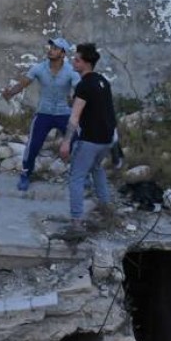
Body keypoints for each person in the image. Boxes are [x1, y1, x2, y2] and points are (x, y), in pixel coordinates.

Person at [0, 37, 80, 191]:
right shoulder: (39, 68)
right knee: (33, 145)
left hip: (64, 113)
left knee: (76, 142)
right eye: (51, 47)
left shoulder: (71, 71)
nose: (51, 50)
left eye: (55, 48)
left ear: (63, 54)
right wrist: (10, 93)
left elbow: (80, 91)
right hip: (44, 113)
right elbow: (23, 84)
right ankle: (26, 174)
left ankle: (80, 174)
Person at [59, 42, 117, 236]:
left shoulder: (84, 85)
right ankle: (106, 209)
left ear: (85, 63)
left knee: (76, 177)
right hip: (106, 140)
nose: (73, 62)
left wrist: (66, 142)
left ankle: (76, 223)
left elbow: (74, 117)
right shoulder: (102, 81)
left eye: (76, 60)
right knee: (97, 168)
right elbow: (107, 111)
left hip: (90, 140)